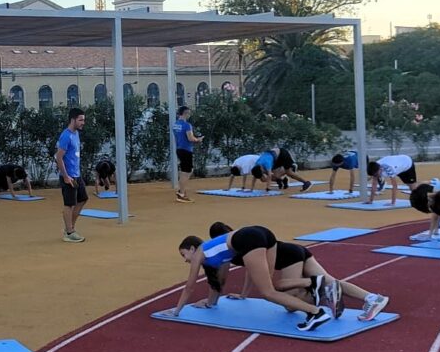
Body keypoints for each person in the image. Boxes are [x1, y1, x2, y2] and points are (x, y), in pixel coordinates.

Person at [207, 222, 390, 322]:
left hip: (289, 257)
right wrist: (243, 295)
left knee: (290, 304)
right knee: (331, 281)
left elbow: (222, 279)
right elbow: (250, 272)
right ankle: (373, 298)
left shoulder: (231, 250)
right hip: (296, 250)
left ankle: (320, 293)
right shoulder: (242, 240)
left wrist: (212, 301)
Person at [167, 225, 334, 332]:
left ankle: (315, 312)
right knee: (271, 288)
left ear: (192, 248)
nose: (186, 259)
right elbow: (220, 281)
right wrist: (211, 303)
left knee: (267, 292)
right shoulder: (215, 253)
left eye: (184, 254)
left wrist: (175, 312)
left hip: (249, 238)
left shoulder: (200, 253)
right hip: (264, 233)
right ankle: (312, 286)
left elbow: (190, 286)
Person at [56, 107, 87, 243]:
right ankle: (69, 232)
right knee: (69, 204)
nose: (82, 122)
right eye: (80, 120)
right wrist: (65, 176)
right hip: (68, 176)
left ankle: (70, 228)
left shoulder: (76, 134)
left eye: (83, 120)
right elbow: (59, 157)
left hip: (76, 174)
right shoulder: (66, 136)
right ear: (73, 120)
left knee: (83, 199)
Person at [172, 106, 204, 203]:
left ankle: (181, 191)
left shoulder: (175, 124)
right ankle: (181, 193)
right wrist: (198, 139)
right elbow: (190, 138)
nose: (189, 115)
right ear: (185, 113)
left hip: (179, 149)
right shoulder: (187, 125)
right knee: (186, 172)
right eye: (188, 113)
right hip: (186, 150)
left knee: (185, 171)